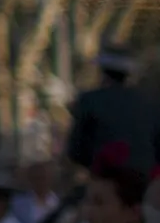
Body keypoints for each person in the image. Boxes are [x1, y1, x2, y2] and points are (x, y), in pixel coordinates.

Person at [66, 47, 157, 186]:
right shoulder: (150, 102)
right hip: (145, 182)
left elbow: (76, 150)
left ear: (103, 72)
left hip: (105, 181)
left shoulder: (90, 100)